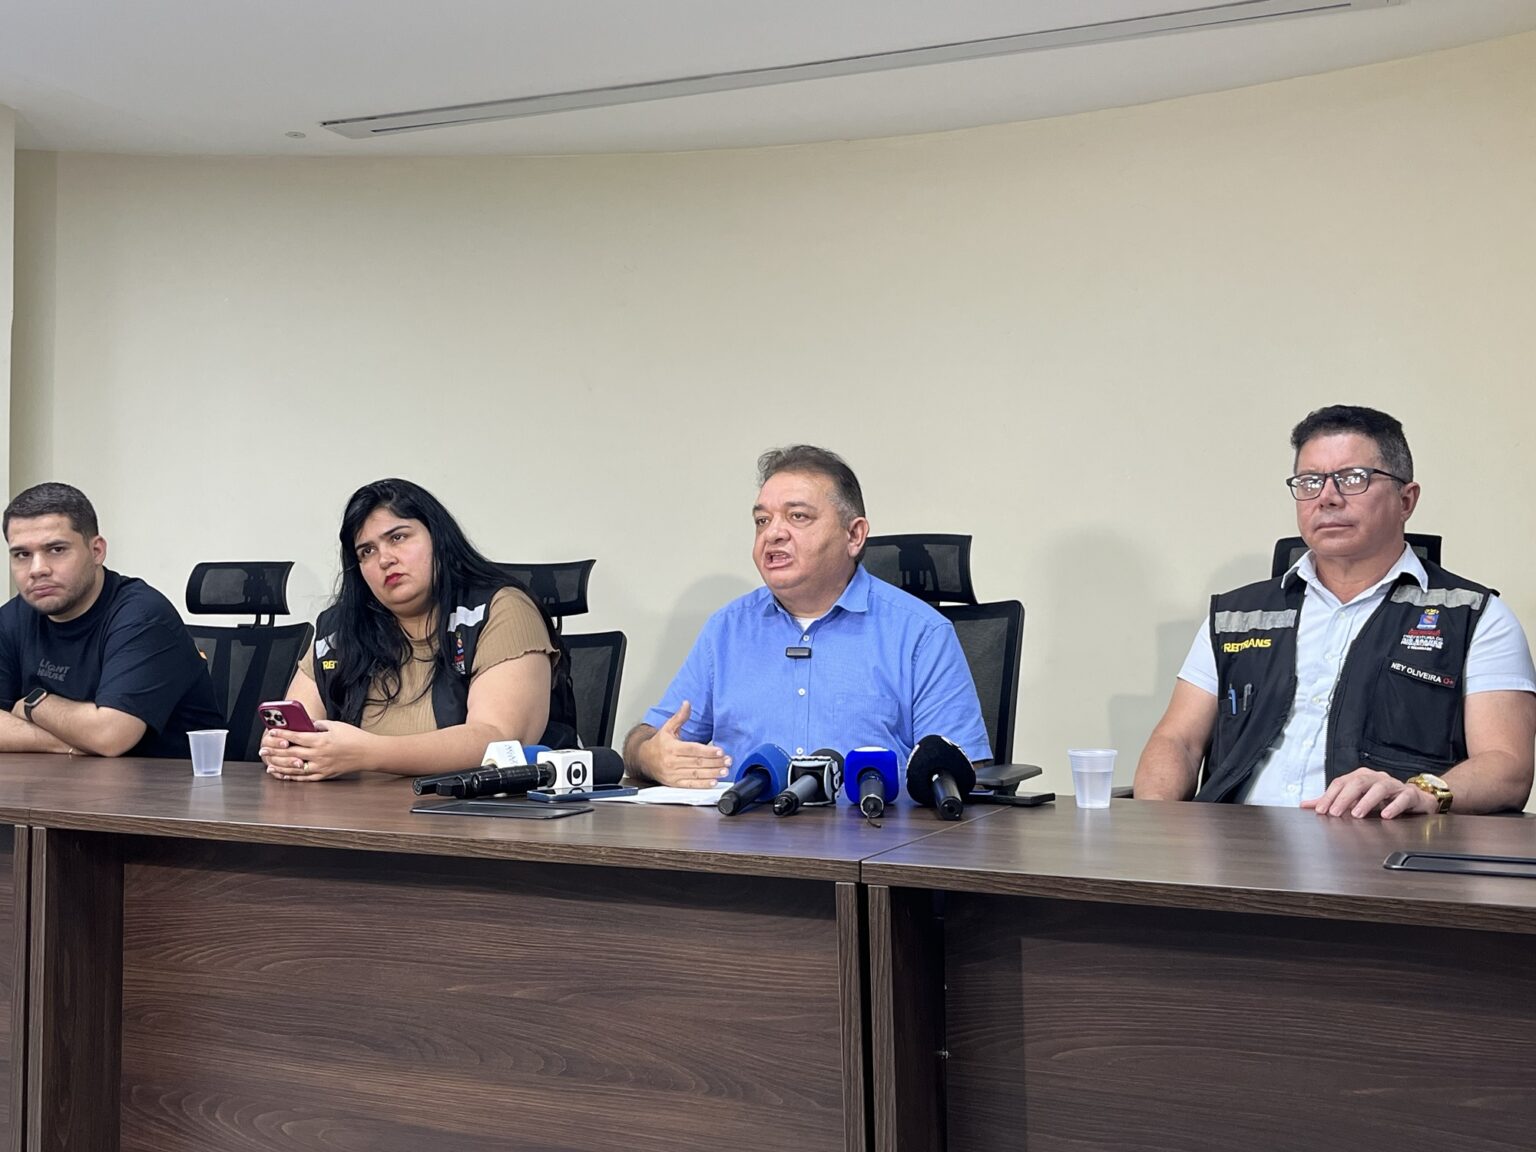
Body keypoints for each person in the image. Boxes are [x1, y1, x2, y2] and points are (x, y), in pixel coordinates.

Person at [1135, 405, 1536, 817]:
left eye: (1353, 478)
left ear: (1406, 500)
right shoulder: (1238, 617)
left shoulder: (1473, 617)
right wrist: (1156, 825)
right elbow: (1177, 741)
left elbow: (1507, 766)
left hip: (1382, 842)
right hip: (1233, 842)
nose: (1327, 497)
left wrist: (1422, 793)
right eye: (1310, 482)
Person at [624, 445, 991, 787]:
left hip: (871, 830)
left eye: (797, 516)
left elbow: (959, 776)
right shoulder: (727, 629)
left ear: (854, 535)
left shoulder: (921, 633)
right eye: (762, 520)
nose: (773, 533)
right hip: (739, 830)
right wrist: (650, 755)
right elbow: (645, 738)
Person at [261, 478, 577, 781]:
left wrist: (367, 754)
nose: (384, 559)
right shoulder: (340, 629)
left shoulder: (500, 609)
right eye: (367, 551)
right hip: (356, 810)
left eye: (398, 538)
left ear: (438, 538)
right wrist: (284, 749)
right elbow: (290, 724)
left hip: (478, 810)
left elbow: (499, 740)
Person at [0, 482, 223, 758]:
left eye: (56, 549)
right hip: (64, 780)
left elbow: (110, 736)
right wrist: (67, 744)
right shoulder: (13, 618)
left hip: (167, 783)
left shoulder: (143, 616)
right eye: (22, 554)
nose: (37, 569)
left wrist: (33, 705)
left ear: (97, 551)